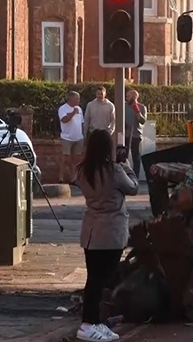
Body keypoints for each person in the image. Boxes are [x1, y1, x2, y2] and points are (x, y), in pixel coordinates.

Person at [74, 129, 139, 342]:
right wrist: (126, 164)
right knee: (100, 280)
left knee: (94, 277)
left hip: (91, 231)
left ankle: (95, 322)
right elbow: (133, 188)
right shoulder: (114, 171)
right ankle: (87, 325)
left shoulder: (83, 171)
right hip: (111, 232)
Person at [57, 91, 84, 184]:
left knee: (76, 159)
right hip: (67, 138)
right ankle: (61, 178)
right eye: (77, 99)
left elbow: (81, 123)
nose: (78, 101)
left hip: (78, 138)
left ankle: (74, 179)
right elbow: (64, 120)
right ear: (71, 99)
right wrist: (73, 113)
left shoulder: (79, 109)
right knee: (65, 158)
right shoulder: (63, 108)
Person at [124, 89, 147, 180]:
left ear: (134, 97)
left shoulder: (141, 107)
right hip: (125, 135)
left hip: (136, 136)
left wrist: (137, 111)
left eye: (128, 96)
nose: (126, 98)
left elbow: (142, 121)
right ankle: (124, 177)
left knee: (136, 158)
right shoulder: (124, 107)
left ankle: (135, 178)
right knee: (123, 158)